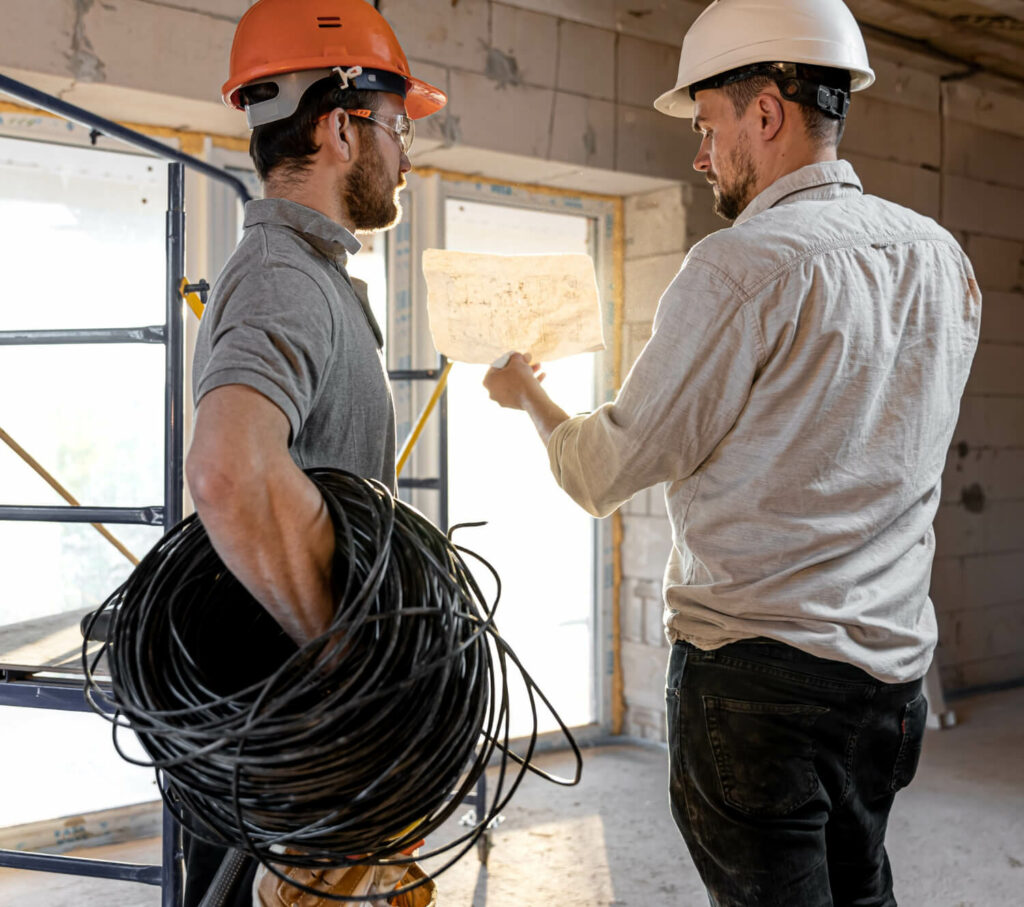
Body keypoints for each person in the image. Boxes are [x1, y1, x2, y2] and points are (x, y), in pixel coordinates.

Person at [483, 0, 981, 904]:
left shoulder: (740, 266)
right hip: (891, 682)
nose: (701, 156)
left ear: (768, 112)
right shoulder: (941, 259)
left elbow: (604, 470)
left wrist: (528, 397)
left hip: (759, 685)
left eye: (711, 127)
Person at [183, 1, 445, 903]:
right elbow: (228, 468)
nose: (408, 156)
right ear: (341, 127)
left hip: (287, 723)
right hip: (283, 721)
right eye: (400, 128)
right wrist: (344, 660)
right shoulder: (283, 278)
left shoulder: (307, 274)